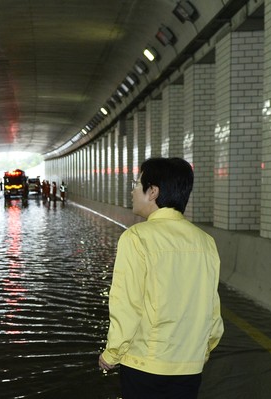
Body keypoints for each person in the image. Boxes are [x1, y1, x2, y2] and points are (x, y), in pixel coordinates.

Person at [98, 157, 223, 399]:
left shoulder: (136, 238)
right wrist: (203, 350)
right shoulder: (206, 242)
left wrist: (112, 353)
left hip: (145, 365)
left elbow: (127, 305)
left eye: (136, 183)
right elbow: (212, 309)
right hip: (190, 366)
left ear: (152, 191)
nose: (132, 190)